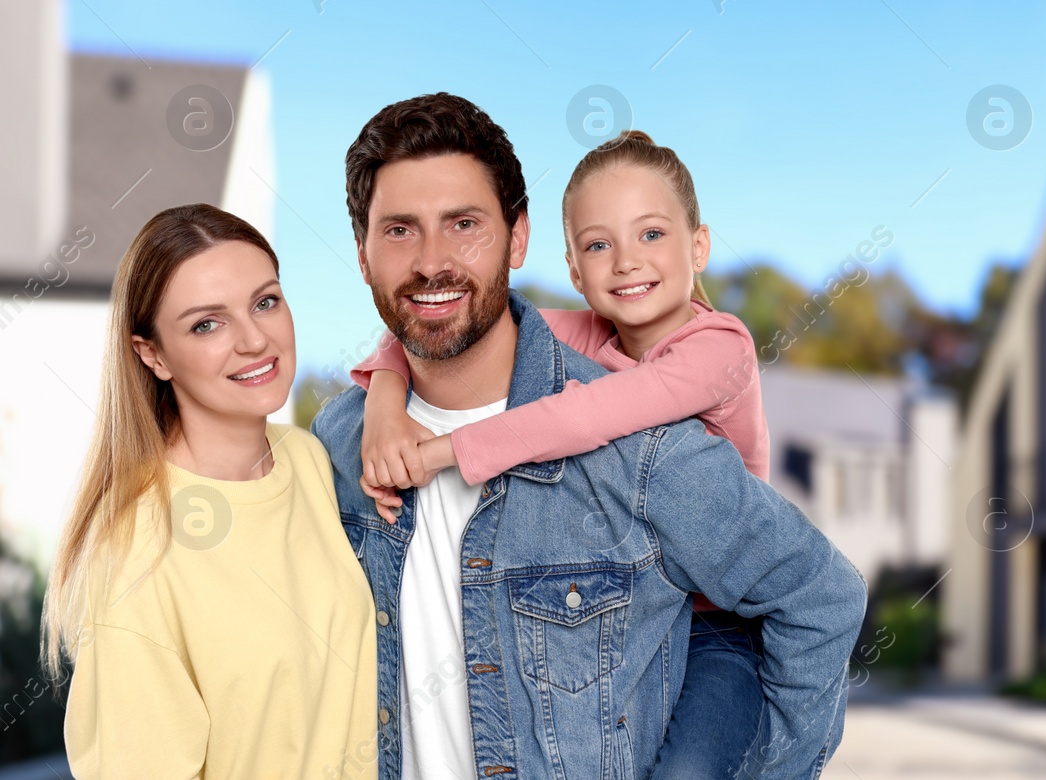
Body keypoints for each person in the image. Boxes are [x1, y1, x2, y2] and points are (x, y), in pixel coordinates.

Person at [310, 92, 865, 780]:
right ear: (362, 253)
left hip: (724, 621)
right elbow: (431, 317)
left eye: (464, 224)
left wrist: (451, 451)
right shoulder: (335, 442)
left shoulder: (649, 430)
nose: (432, 260)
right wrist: (386, 397)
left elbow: (820, 595)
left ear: (517, 238)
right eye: (398, 230)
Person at [41, 204, 378, 779]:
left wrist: (390, 386)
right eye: (207, 323)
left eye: (265, 301)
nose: (254, 339)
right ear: (152, 354)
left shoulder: (310, 459)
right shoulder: (137, 553)